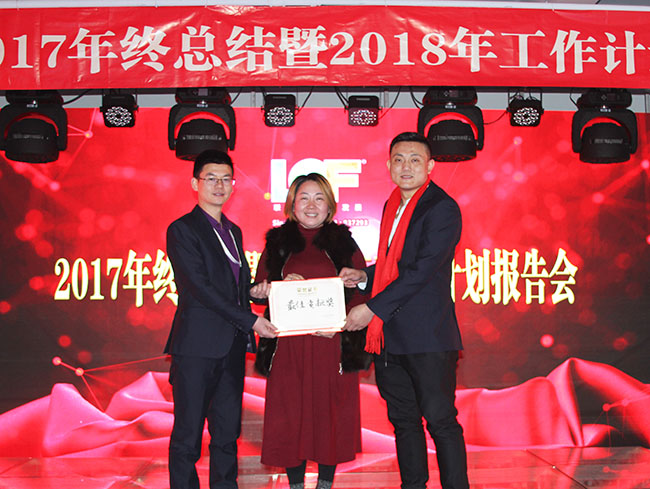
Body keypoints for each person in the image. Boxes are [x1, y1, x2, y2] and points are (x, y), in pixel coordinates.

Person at [340, 132, 470, 489]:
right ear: (388, 165)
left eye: (415, 159)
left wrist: (372, 308)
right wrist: (364, 277)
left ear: (430, 165)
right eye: (398, 159)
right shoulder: (392, 204)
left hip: (427, 337)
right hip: (390, 338)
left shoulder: (441, 208)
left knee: (440, 421)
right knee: (403, 422)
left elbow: (422, 271)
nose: (406, 167)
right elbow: (392, 265)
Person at [250, 173, 371, 489]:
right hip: (288, 346)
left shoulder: (343, 242)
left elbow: (362, 290)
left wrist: (342, 324)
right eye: (303, 198)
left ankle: (325, 483)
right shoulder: (277, 243)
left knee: (329, 413)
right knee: (291, 414)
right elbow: (259, 287)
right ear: (292, 205)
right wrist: (271, 287)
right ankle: (295, 484)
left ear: (330, 206)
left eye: (319, 198)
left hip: (331, 345)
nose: (311, 205)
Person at [165, 149, 277, 489]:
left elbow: (235, 288)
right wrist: (251, 320)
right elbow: (200, 288)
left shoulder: (233, 231)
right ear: (195, 184)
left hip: (231, 348)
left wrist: (259, 292)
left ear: (233, 185)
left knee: (227, 434)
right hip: (196, 349)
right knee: (187, 436)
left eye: (226, 179)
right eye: (211, 178)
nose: (219, 185)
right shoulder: (182, 230)